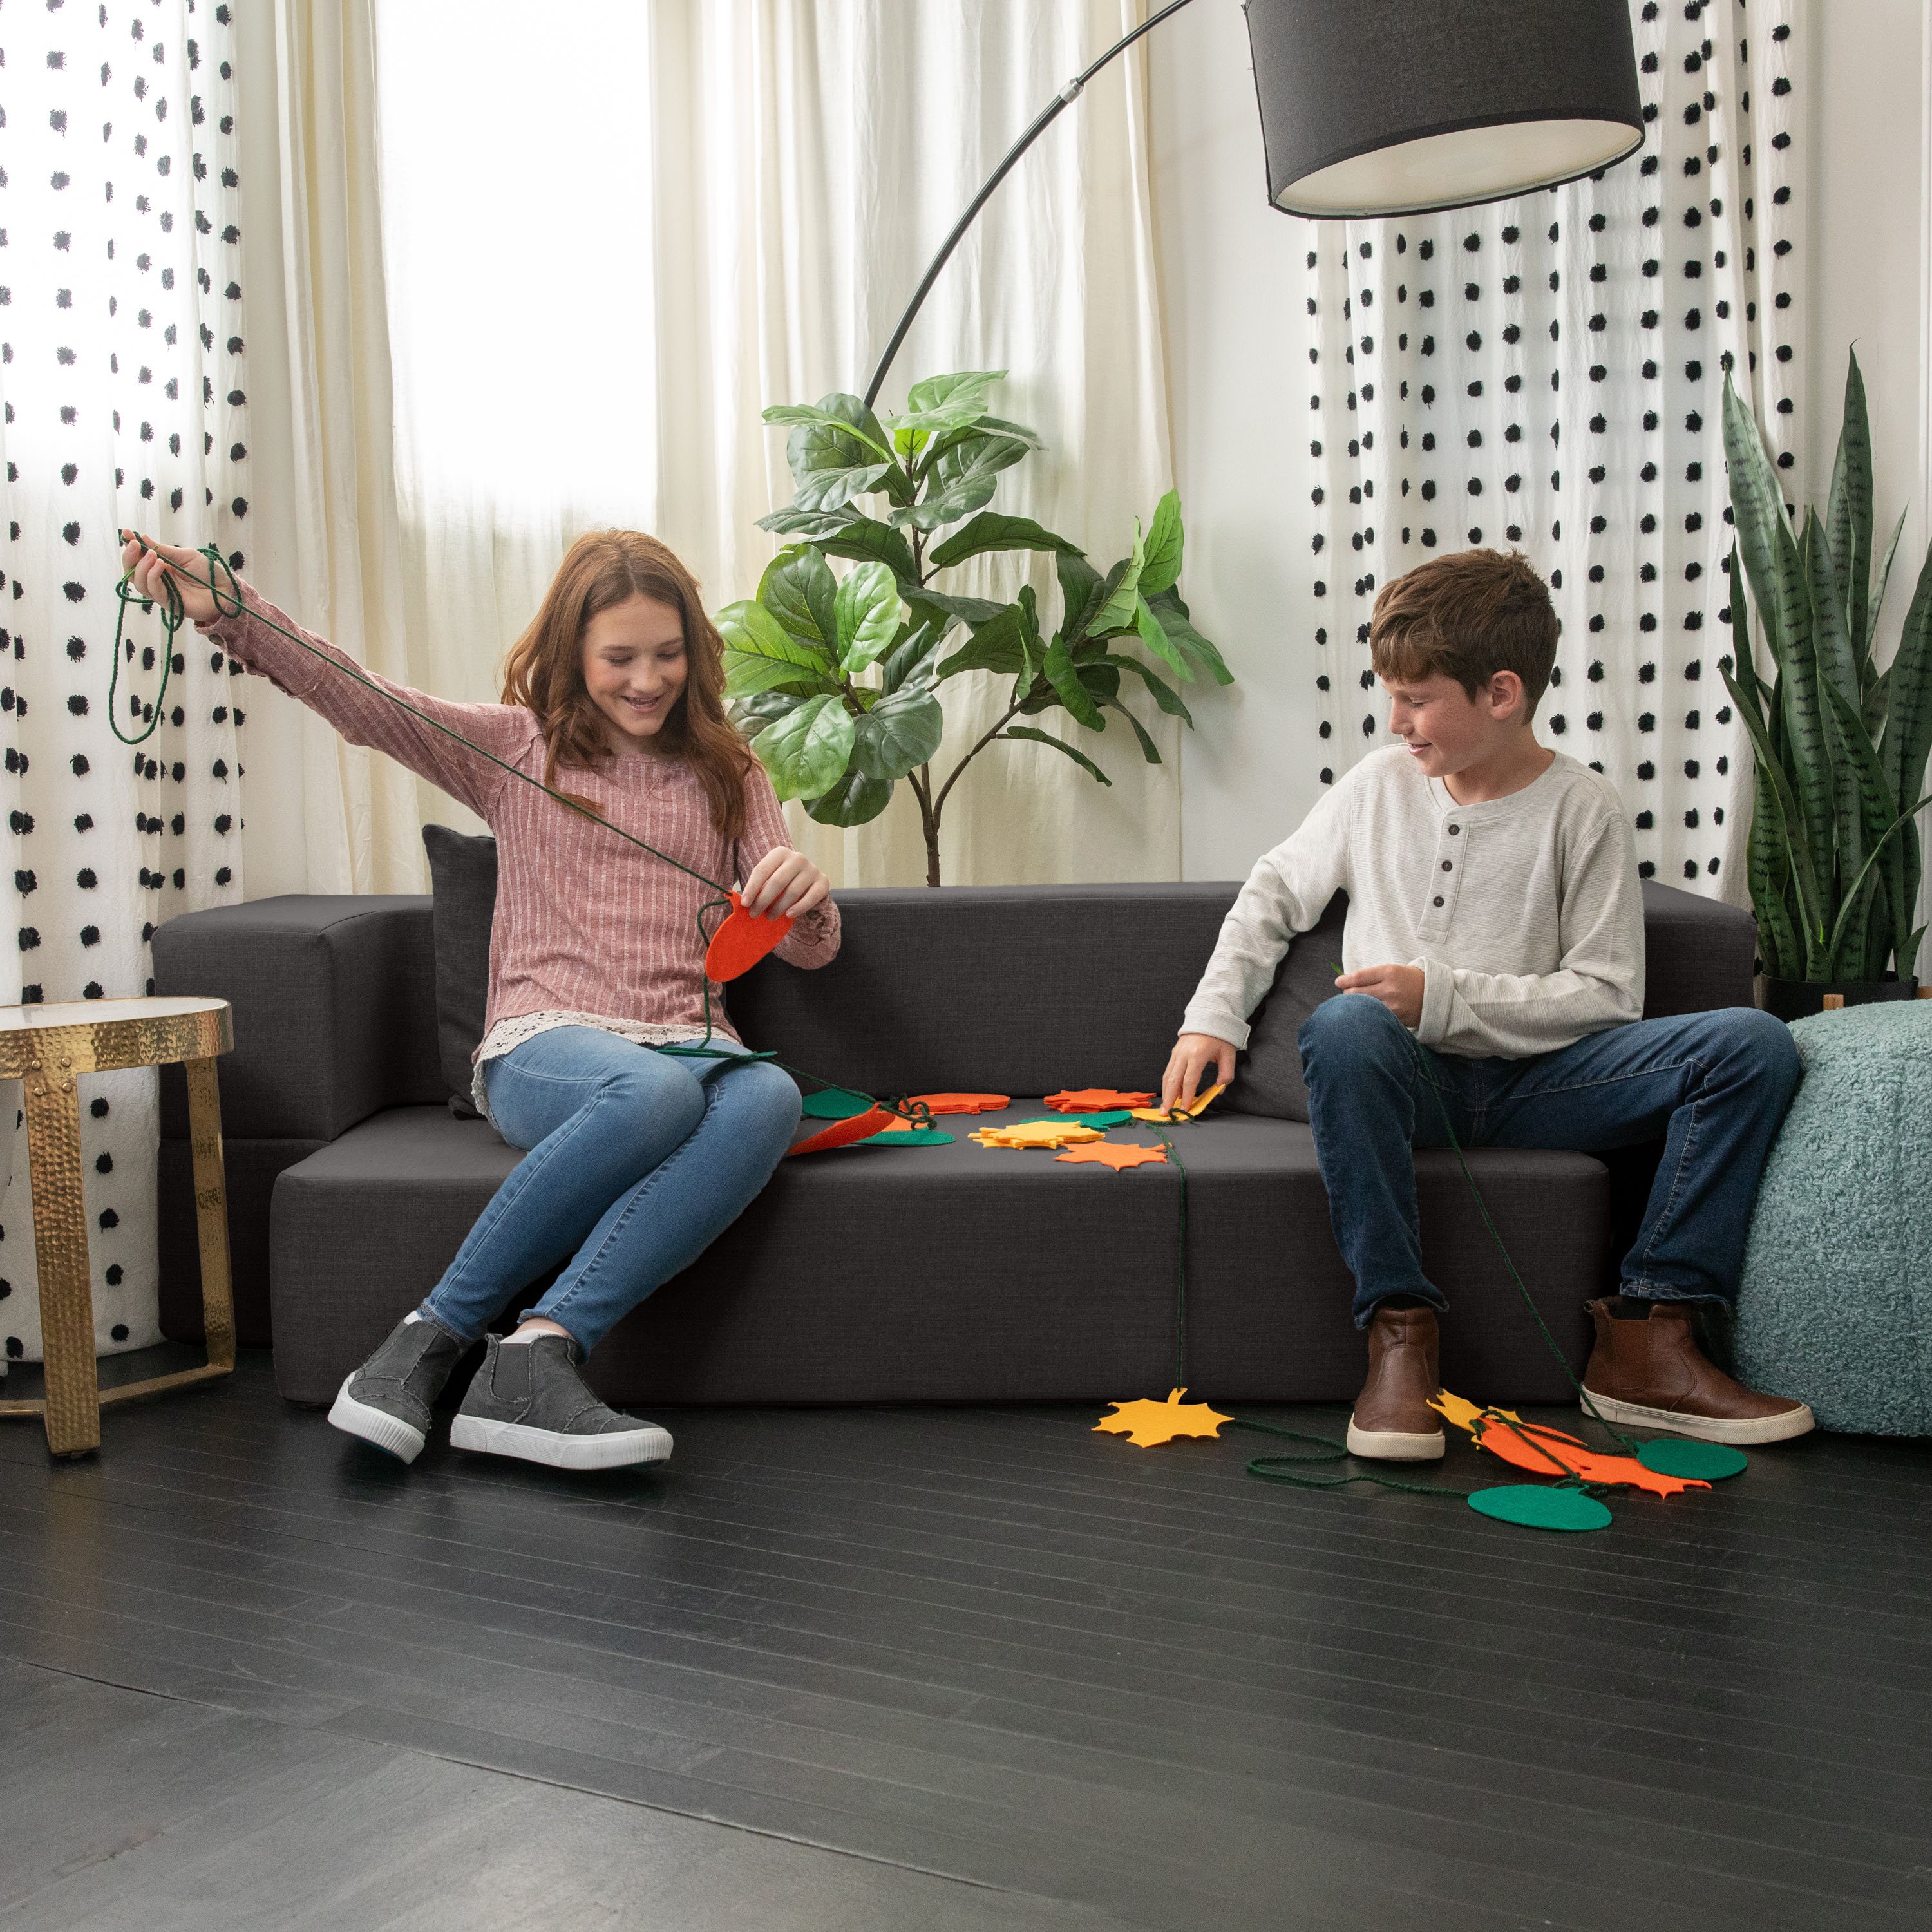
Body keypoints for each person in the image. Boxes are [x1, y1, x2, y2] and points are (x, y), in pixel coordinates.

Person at [122, 527, 837, 1473]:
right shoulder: (516, 750)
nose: (647, 680)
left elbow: (808, 949)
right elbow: (365, 700)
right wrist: (234, 613)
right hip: (546, 1048)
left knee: (770, 1094)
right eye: (619, 658)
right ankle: (422, 1341)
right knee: (654, 1091)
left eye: (668, 654)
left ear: (695, 653)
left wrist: (806, 897)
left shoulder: (730, 771)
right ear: (574, 653)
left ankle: (538, 1357)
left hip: (687, 1049)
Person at [1162, 548, 1812, 1458]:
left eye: (1417, 699)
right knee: (1344, 1025)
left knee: (1753, 1044)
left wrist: (1443, 997)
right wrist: (1212, 1017)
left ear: (1502, 693)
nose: (1397, 721)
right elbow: (1273, 894)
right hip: (1405, 1086)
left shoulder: (1584, 809)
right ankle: (1400, 1335)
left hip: (1545, 1084)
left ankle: (1648, 1340)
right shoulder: (1375, 786)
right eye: (1391, 697)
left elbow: (1607, 995)